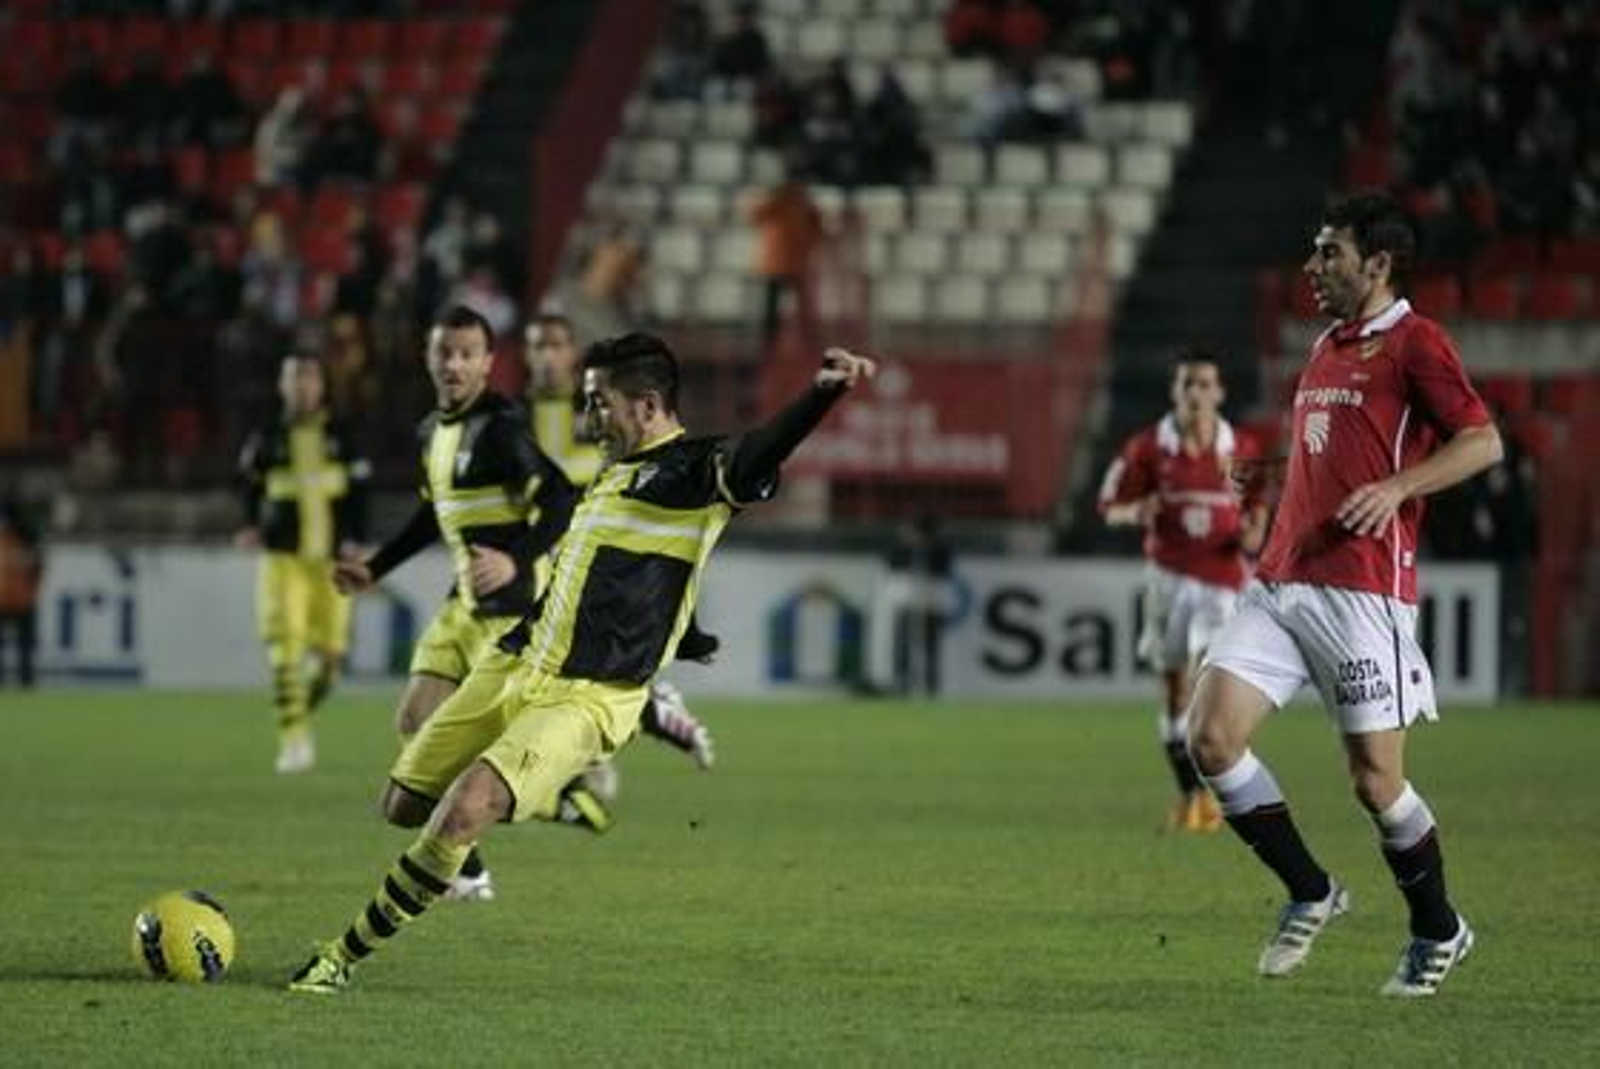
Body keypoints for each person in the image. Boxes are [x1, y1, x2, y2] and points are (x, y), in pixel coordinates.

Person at [288, 338, 877, 994]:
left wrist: (821, 394)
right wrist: (684, 631)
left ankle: (340, 955)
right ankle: (556, 794)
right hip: (515, 661)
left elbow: (758, 451)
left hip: (588, 695)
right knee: (400, 805)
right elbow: (617, 572)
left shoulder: (692, 470)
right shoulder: (613, 471)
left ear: (649, 405)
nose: (587, 415)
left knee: (461, 815)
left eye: (599, 402)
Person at [1186, 190, 1503, 997]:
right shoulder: (1328, 344)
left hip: (1363, 594)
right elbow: (1332, 457)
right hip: (1283, 582)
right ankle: (1310, 890)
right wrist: (1276, 490)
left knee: (1374, 782)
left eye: (1329, 252)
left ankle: (1439, 927)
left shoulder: (1416, 343)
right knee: (1211, 738)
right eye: (1314, 250)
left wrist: (1399, 487)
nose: (1312, 266)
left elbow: (1482, 440)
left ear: (1378, 262)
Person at [333, 305, 577, 901]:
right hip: (462, 603)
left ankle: (528, 811)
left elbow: (562, 499)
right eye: (444, 351)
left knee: (468, 739)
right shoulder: (430, 431)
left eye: (467, 353)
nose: (454, 363)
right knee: (413, 722)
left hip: (511, 608)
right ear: (428, 356)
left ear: (489, 364)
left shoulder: (501, 427)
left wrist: (516, 558)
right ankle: (466, 868)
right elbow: (430, 516)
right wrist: (375, 567)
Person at [524, 313, 717, 777]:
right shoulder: (516, 420)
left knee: (538, 676)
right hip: (534, 561)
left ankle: (618, 733)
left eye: (556, 345)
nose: (547, 356)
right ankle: (643, 718)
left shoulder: (606, 417)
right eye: (537, 346)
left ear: (572, 354)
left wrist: (687, 627)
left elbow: (652, 511)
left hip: (592, 565)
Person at [1098, 354, 1267, 833]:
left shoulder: (1242, 447)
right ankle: (1191, 794)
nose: (1196, 393)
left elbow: (1258, 510)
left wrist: (1254, 533)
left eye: (1205, 383)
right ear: (1175, 391)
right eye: (1188, 383)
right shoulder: (1148, 448)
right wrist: (1136, 512)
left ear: (1220, 392)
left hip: (1223, 583)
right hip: (1167, 580)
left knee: (1202, 684)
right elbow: (1109, 506)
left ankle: (1216, 792)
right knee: (1173, 694)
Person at [236, 355, 370, 773]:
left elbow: (360, 492)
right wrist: (249, 524)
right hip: (283, 559)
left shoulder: (342, 435)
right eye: (293, 377)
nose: (301, 385)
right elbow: (247, 485)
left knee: (330, 662)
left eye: (308, 376)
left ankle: (299, 714)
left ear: (321, 384)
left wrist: (356, 540)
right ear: (282, 384)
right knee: (285, 649)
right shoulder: (266, 436)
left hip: (332, 561)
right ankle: (293, 741)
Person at [748, 173, 824, 354]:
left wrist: (809, 243)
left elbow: (817, 227)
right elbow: (756, 216)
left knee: (799, 306)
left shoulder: (800, 202)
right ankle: (772, 342)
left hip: (789, 262)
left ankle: (804, 340)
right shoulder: (782, 202)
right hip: (780, 263)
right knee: (777, 306)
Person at [0, 495, 43, 688]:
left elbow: (38, 567)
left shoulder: (25, 539)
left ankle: (26, 683)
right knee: (23, 646)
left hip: (22, 600)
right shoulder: (20, 540)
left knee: (25, 647)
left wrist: (33, 591)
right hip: (7, 599)